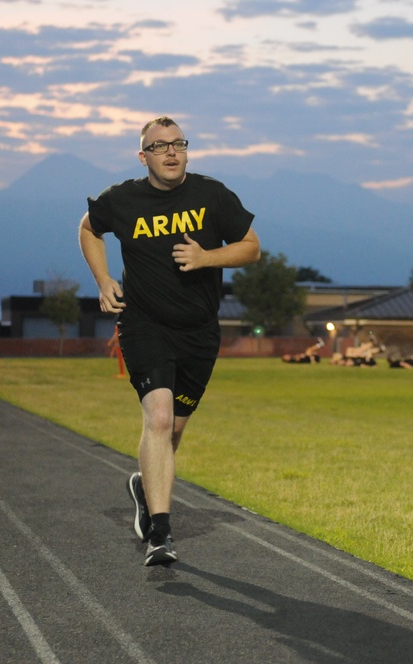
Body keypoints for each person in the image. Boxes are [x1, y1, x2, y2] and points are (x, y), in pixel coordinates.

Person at [79, 115, 260, 567]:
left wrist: (206, 257)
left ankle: (145, 485)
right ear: (144, 156)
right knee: (158, 419)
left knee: (173, 430)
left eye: (178, 143)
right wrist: (103, 280)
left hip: (199, 331)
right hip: (143, 324)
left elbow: (252, 247)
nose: (172, 152)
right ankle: (160, 533)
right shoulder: (122, 199)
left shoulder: (212, 194)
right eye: (160, 146)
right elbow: (88, 227)